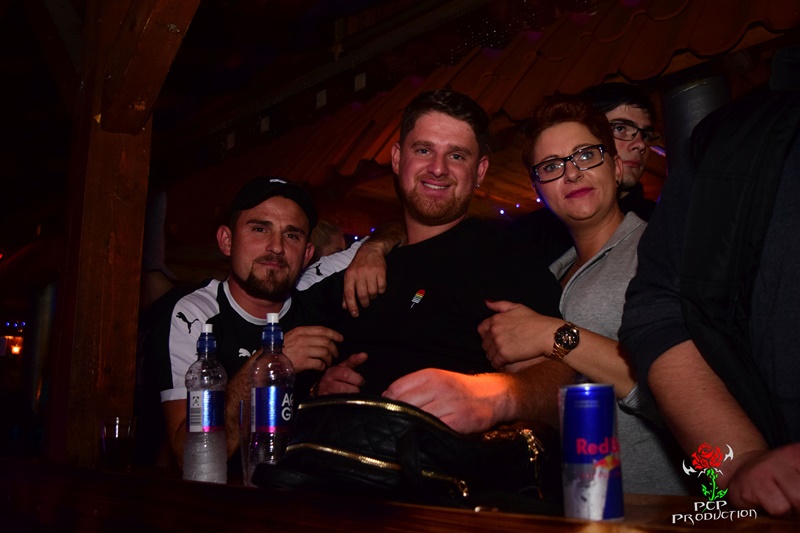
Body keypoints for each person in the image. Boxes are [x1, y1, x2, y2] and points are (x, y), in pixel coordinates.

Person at [304, 89, 574, 432]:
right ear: (398, 159)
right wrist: (320, 389)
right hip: (338, 458)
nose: (437, 168)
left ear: (480, 171)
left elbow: (561, 383)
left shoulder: (508, 261)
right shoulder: (360, 268)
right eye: (423, 150)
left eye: (457, 155)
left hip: (449, 464)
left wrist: (491, 396)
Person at [477, 95, 690, 495]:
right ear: (539, 189)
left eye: (586, 155)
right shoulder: (550, 275)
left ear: (615, 166)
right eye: (551, 166)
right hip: (584, 503)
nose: (572, 174)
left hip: (665, 506)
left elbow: (691, 394)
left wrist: (552, 336)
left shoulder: (659, 250)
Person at [619, 51, 800, 514]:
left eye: (639, 132)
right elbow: (659, 313)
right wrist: (736, 466)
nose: (571, 171)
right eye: (550, 163)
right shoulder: (549, 263)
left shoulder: (642, 228)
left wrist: (560, 340)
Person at [146, 177, 396, 467]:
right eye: (260, 229)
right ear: (226, 240)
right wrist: (272, 363)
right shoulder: (194, 315)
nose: (276, 247)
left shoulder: (314, 287)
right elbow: (191, 455)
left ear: (307, 254)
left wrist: (373, 249)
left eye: (292, 235)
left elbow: (403, 228)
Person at [509, 82, 660, 264]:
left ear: (616, 167)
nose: (640, 144)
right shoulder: (526, 241)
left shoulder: (664, 230)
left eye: (645, 135)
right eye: (620, 128)